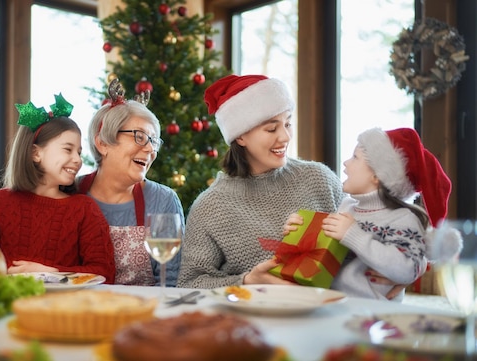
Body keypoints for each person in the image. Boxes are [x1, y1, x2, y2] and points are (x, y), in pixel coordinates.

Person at [176, 74, 345, 289]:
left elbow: (362, 242)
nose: (285, 137)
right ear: (240, 136)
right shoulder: (210, 207)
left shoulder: (319, 179)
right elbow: (190, 283)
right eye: (271, 128)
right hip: (251, 320)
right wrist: (246, 281)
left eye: (288, 123)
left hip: (328, 314)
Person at [0, 94, 115, 283]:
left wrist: (50, 272)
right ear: (35, 153)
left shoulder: (84, 209)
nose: (78, 160)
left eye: (79, 152)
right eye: (68, 149)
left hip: (65, 308)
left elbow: (104, 273)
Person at [313, 127, 450, 301]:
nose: (346, 163)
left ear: (378, 175)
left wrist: (353, 235)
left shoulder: (403, 218)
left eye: (355, 157)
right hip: (332, 305)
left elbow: (407, 268)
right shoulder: (347, 206)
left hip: (373, 317)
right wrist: (301, 229)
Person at [77, 78, 184, 287]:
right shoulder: (70, 193)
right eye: (140, 137)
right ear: (102, 143)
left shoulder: (163, 200)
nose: (150, 150)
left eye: (154, 141)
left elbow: (171, 281)